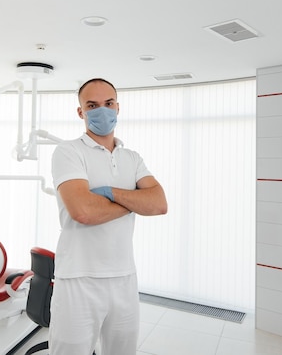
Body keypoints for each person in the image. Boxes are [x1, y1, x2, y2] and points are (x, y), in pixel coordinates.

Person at [49, 78, 168, 355]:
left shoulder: (132, 158)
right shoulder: (68, 152)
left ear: (117, 107)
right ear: (81, 112)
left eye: (108, 103)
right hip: (78, 278)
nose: (102, 111)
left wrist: (109, 194)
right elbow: (84, 212)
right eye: (92, 105)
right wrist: (135, 201)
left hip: (124, 277)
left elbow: (159, 204)